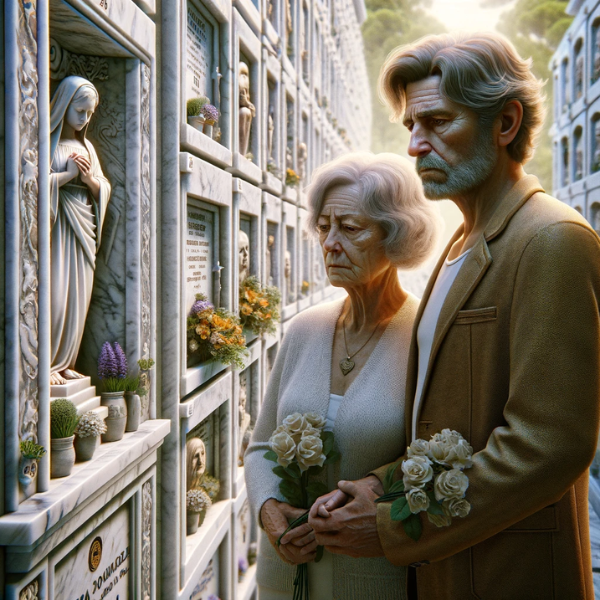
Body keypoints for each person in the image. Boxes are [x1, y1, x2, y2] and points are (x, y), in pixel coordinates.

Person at [307, 32, 600, 600]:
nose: (416, 145)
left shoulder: (553, 240)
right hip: (444, 573)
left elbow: (547, 446)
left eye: (438, 122)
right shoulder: (459, 243)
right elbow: (448, 425)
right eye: (411, 127)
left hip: (511, 576)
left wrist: (396, 523)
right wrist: (378, 485)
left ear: (506, 123)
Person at [244, 152, 440, 600]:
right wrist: (269, 511)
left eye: (350, 228)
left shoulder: (425, 336)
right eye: (324, 226)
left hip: (374, 583)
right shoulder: (304, 329)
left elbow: (439, 458)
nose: (330, 242)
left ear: (396, 235)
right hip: (283, 579)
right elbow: (260, 447)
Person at [49, 76, 111, 385]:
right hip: (57, 228)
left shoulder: (86, 146)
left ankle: (67, 361)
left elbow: (103, 188)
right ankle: (48, 363)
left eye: (90, 113)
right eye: (80, 111)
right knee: (57, 296)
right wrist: (65, 176)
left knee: (78, 299)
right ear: (64, 104)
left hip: (84, 227)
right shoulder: (46, 143)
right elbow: (33, 187)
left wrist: (89, 181)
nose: (85, 119)